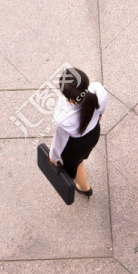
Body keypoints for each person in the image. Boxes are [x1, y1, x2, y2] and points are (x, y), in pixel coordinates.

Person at [48, 67, 108, 203]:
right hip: (93, 134)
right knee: (83, 157)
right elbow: (101, 110)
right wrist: (99, 116)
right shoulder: (98, 90)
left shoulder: (63, 118)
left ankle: (84, 187)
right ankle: (82, 168)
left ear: (68, 97)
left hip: (75, 145)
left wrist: (53, 158)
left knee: (76, 166)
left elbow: (59, 141)